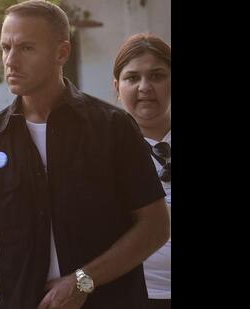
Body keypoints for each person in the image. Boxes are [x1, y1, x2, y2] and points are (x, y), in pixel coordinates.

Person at [0, 1, 170, 309]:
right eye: (5, 47)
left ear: (62, 52)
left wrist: (84, 280)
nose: (11, 61)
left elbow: (155, 227)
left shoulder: (113, 128)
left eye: (26, 48)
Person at [114, 32, 171, 309]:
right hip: (132, 296)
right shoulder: (101, 154)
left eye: (157, 76)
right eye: (132, 78)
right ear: (117, 86)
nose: (145, 87)